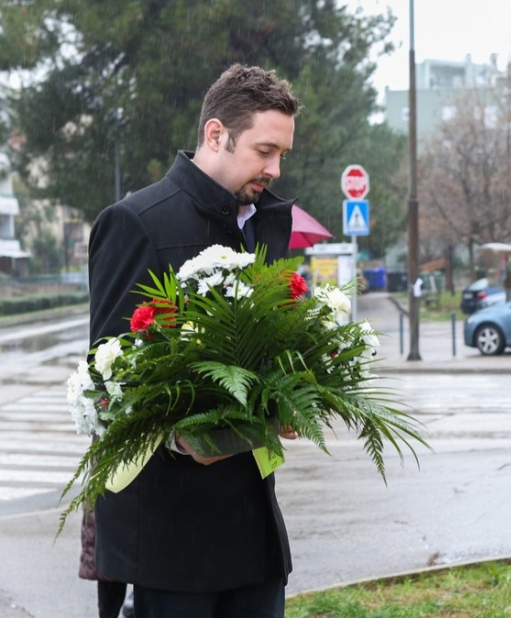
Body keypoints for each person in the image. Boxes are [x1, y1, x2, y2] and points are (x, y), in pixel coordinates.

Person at [87, 64, 301, 617]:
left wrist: (293, 390)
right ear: (215, 135)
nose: (275, 169)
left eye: (282, 154)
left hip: (254, 537)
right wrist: (185, 442)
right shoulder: (136, 222)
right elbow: (108, 378)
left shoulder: (263, 224)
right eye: (264, 151)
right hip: (167, 544)